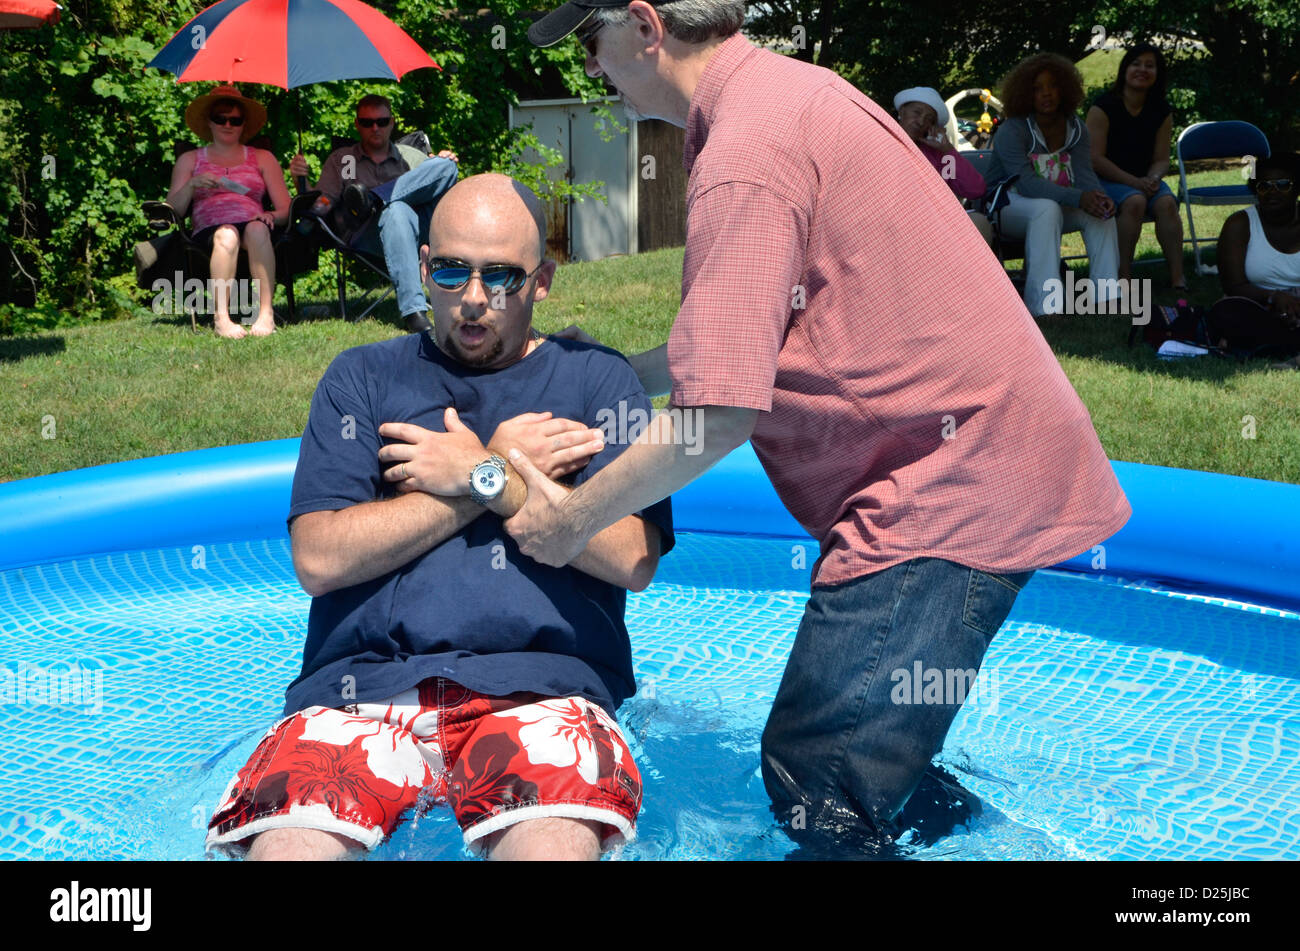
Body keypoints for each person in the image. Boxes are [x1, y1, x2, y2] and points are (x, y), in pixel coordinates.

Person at [522, 1, 1130, 853]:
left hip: (946, 494)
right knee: (869, 768)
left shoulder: (743, 155)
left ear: (645, 25)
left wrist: (569, 520)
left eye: (591, 43)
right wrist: (620, 366)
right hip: (984, 461)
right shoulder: (786, 95)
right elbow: (747, 340)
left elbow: (717, 417)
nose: (590, 68)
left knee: (815, 777)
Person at [204, 173, 674, 861]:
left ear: (542, 281)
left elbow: (633, 558)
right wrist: (484, 472)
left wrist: (490, 477)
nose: (475, 299)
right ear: (425, 268)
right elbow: (318, 558)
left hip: (536, 689)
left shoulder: (596, 381)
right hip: (358, 692)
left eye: (503, 277)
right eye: (452, 272)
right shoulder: (362, 378)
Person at [289, 95, 460, 333]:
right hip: (365, 231)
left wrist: (438, 162)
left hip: (418, 229)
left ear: (392, 122)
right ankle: (414, 313)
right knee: (396, 211)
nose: (375, 128)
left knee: (447, 166)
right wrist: (302, 184)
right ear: (357, 124)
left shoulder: (407, 157)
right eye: (367, 122)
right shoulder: (345, 159)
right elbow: (322, 203)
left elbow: (437, 180)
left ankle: (376, 197)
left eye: (382, 121)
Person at [984, 52, 1121, 317]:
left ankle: (1106, 298)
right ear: (1026, 94)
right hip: (1004, 206)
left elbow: (1084, 176)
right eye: (1037, 89)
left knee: (1100, 214)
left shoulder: (1076, 128)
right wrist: (1079, 198)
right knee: (1046, 209)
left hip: (1055, 203)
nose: (1046, 94)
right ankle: (1046, 306)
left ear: (1065, 89)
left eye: (1053, 86)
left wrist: (1098, 197)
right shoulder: (1012, 130)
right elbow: (1026, 185)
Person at [166, 85, 291, 339]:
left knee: (257, 230)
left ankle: (266, 314)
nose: (227, 124)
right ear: (209, 123)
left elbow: (286, 210)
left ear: (244, 125)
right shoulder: (190, 160)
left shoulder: (262, 157)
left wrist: (270, 216)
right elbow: (173, 210)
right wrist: (192, 184)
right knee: (227, 234)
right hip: (210, 230)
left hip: (252, 221)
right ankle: (221, 318)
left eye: (235, 120)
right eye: (220, 118)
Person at [1086, 43, 1185, 288]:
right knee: (1135, 202)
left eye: (1149, 66)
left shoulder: (1161, 110)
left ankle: (1178, 276)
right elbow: (1095, 159)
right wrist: (1134, 183)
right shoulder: (1103, 107)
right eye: (1136, 64)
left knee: (1167, 203)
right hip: (1107, 180)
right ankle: (1123, 275)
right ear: (1125, 70)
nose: (1142, 70)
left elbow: (1162, 158)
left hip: (1144, 180)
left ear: (1157, 74)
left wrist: (1153, 177)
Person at [1208, 151, 1300, 369]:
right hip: (1260, 303)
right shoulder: (1239, 224)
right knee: (1227, 313)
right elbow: (1233, 286)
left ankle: (1272, 347)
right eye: (1264, 186)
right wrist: (1274, 297)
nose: (1272, 192)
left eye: (1283, 184)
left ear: (1297, 189)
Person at [893, 86, 994, 246]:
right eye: (917, 113)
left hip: (933, 223)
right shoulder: (884, 141)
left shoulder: (939, 156)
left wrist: (947, 150)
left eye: (929, 119)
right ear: (902, 112)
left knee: (978, 222)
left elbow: (975, 190)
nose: (921, 122)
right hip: (895, 222)